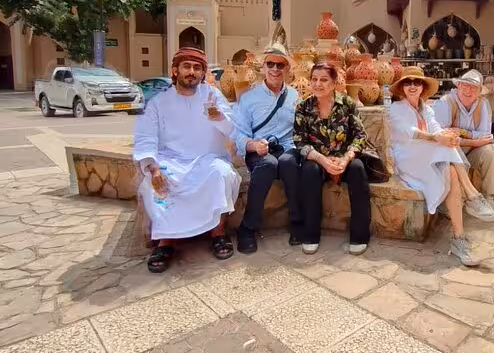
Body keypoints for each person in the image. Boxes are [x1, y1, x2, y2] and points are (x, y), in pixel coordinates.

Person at [134, 47, 240, 273]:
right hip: (170, 161)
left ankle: (218, 233)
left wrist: (217, 116)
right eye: (187, 66)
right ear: (175, 70)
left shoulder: (212, 95)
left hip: (206, 160)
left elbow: (232, 129)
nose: (192, 72)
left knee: (222, 174)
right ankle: (165, 242)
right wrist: (153, 168)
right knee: (156, 184)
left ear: (203, 73)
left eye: (197, 67)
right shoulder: (158, 103)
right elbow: (145, 138)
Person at [387, 66, 494, 266]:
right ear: (402, 87)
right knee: (443, 148)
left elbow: (438, 129)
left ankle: (459, 239)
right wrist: (437, 137)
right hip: (407, 158)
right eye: (408, 83)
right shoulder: (395, 108)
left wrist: (450, 137)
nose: (412, 86)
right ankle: (472, 195)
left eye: (417, 82)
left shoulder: (426, 109)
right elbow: (411, 132)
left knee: (451, 171)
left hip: (428, 154)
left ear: (422, 87)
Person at [293, 62, 371, 256]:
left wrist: (345, 159)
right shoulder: (303, 107)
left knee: (358, 170)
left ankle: (360, 235)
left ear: (335, 82)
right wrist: (322, 160)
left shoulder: (347, 104)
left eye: (324, 80)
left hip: (344, 159)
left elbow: (360, 136)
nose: (318, 84)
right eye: (314, 79)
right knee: (309, 171)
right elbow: (299, 142)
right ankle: (310, 234)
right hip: (318, 159)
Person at [231, 44, 302, 254]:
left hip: (286, 147)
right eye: (270, 63)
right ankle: (247, 228)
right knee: (268, 165)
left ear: (287, 69)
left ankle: (297, 223)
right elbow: (238, 134)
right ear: (263, 66)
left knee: (290, 163)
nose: (275, 69)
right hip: (259, 150)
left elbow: (300, 128)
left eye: (280, 65)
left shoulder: (294, 96)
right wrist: (253, 145)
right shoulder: (248, 98)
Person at [433, 70, 494, 201]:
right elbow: (444, 138)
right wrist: (475, 142)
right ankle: (460, 201)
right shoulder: (446, 102)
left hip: (471, 152)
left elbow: (486, 135)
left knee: (490, 152)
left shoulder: (483, 104)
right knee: (454, 149)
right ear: (458, 86)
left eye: (473, 87)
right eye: (465, 85)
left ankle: (490, 198)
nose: (468, 90)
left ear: (479, 91)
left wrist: (463, 132)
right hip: (449, 151)